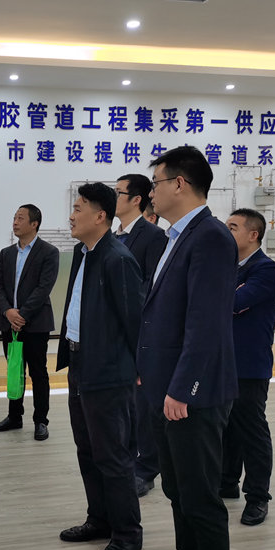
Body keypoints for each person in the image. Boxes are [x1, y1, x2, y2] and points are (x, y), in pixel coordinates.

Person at [135, 146, 239, 550]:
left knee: (200, 500)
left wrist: (183, 388)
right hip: (168, 390)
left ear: (179, 184)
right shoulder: (179, 237)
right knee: (178, 491)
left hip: (192, 395)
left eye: (155, 182)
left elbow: (206, 323)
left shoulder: (211, 237)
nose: (150, 192)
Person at [56, 182, 144, 550]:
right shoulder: (84, 253)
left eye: (78, 209)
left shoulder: (117, 259)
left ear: (100, 216)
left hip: (109, 371)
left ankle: (128, 534)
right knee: (88, 450)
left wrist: (138, 371)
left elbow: (135, 321)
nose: (71, 216)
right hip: (80, 364)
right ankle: (100, 519)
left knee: (113, 456)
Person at [221, 209, 275, 526]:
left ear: (253, 234)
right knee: (227, 426)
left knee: (251, 430)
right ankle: (227, 482)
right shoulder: (227, 266)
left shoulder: (267, 269)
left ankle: (258, 497)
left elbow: (233, 303)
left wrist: (222, 297)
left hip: (249, 364)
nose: (226, 232)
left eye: (232, 227)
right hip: (221, 360)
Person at [115, 174, 168, 497]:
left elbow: (151, 286)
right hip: (115, 333)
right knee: (125, 404)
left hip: (140, 331)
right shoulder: (115, 236)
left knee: (145, 405)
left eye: (118, 192)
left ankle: (147, 468)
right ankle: (128, 460)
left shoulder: (153, 236)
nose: (114, 198)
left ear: (136, 199)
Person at [0, 204, 60, 441]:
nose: (15, 222)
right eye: (14, 217)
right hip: (9, 323)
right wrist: (8, 312)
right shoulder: (6, 253)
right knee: (14, 370)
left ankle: (41, 421)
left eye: (20, 218)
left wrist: (23, 315)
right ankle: (14, 417)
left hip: (36, 324)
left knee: (38, 373)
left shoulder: (49, 252)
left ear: (34, 224)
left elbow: (44, 288)